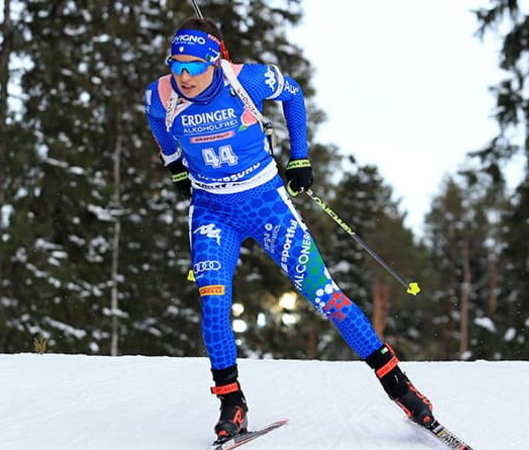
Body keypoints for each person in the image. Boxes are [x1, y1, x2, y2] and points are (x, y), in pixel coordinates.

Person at [144, 17, 435, 444]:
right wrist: (174, 167)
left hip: (266, 205)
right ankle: (232, 404)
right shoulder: (162, 93)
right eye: (177, 65)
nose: (184, 76)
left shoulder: (248, 80)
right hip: (211, 212)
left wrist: (300, 158)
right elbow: (156, 121)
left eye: (194, 66)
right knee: (213, 303)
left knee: (326, 297)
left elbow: (294, 93)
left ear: (214, 60)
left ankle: (401, 389)